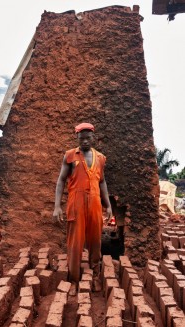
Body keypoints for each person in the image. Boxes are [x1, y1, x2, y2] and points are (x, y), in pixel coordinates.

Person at [53, 122, 112, 295]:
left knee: (95, 239)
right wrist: (57, 206)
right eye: (81, 139)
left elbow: (102, 182)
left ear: (93, 137)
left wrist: (107, 205)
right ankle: (74, 279)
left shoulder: (100, 158)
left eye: (88, 138)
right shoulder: (70, 155)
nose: (85, 141)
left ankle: (95, 274)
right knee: (75, 241)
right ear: (77, 138)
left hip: (94, 203)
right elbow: (61, 180)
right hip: (76, 202)